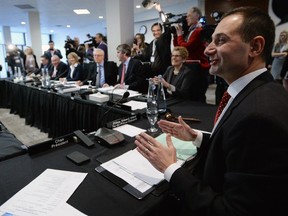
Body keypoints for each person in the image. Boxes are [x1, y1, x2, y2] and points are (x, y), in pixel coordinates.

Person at [135, 6, 288, 216]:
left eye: (221, 41)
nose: (207, 50)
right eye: (211, 41)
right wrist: (197, 137)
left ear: (255, 46)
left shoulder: (259, 117)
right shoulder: (257, 92)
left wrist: (170, 168)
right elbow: (236, 153)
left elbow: (233, 210)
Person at [173, 6, 210, 101]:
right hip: (190, 67)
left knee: (197, 96)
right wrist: (175, 35)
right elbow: (179, 49)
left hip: (198, 68)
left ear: (197, 16)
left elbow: (186, 48)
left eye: (189, 15)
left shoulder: (199, 31)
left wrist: (180, 35)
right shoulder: (190, 31)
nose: (186, 18)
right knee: (190, 95)